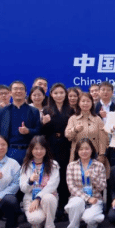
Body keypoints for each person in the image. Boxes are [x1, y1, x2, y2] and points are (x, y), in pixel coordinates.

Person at [42, 83, 74, 220]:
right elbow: (42, 132)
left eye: (61, 93)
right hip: (52, 145)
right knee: (53, 176)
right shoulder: (46, 109)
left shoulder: (71, 110)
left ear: (65, 94)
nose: (59, 95)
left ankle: (64, 207)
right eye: (56, 93)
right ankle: (52, 208)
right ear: (51, 94)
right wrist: (44, 123)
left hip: (66, 145)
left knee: (65, 177)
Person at [19, 136, 60, 228]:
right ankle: (43, 219)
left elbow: (52, 185)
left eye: (42, 148)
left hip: (48, 199)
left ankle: (49, 225)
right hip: (31, 200)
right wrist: (30, 181)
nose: (39, 151)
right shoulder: (26, 166)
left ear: (46, 149)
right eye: (36, 149)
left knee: (48, 197)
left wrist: (38, 198)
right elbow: (23, 188)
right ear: (31, 150)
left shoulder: (53, 164)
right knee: (35, 219)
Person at [0, 81, 41, 164]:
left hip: (28, 150)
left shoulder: (34, 111)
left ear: (25, 93)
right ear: (10, 93)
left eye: (21, 89)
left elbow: (39, 131)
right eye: (15, 89)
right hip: (8, 151)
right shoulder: (2, 111)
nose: (18, 91)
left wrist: (28, 131)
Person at [65, 138, 107, 228]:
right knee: (77, 202)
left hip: (95, 199)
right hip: (78, 198)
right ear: (77, 151)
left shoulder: (99, 165)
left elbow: (102, 187)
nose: (84, 151)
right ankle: (73, 227)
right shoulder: (71, 166)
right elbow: (71, 187)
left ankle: (94, 218)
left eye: (87, 149)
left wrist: (93, 177)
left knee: (89, 219)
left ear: (92, 150)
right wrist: (87, 198)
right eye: (81, 149)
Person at [64, 92, 109, 165]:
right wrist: (75, 129)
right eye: (83, 101)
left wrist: (101, 154)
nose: (85, 103)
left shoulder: (97, 119)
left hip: (94, 154)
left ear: (92, 103)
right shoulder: (73, 119)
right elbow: (68, 135)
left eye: (88, 101)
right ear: (78, 103)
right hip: (77, 155)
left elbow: (103, 138)